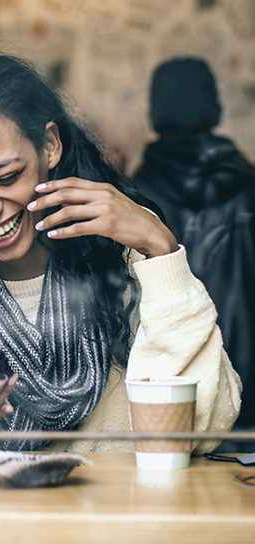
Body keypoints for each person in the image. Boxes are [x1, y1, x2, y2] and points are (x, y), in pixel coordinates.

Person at [0, 50, 241, 453]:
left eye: (6, 176)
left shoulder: (123, 257)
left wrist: (160, 250)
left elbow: (206, 423)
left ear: (49, 146)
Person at [132, 57, 255, 441]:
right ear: (215, 107)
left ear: (154, 113)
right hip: (248, 384)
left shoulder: (133, 200)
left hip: (165, 386)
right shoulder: (249, 188)